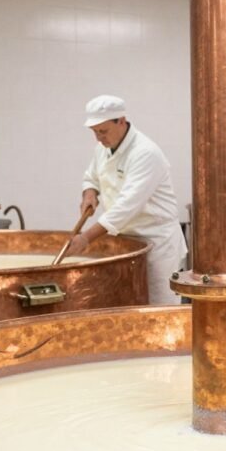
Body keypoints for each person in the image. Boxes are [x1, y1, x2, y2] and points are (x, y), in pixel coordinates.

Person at [64, 95, 188, 305]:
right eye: (95, 132)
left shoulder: (145, 153)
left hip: (156, 244)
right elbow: (91, 176)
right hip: (126, 242)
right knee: (128, 307)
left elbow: (125, 207)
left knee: (158, 308)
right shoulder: (103, 149)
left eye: (103, 131)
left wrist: (85, 238)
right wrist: (90, 193)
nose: (99, 138)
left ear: (121, 121)